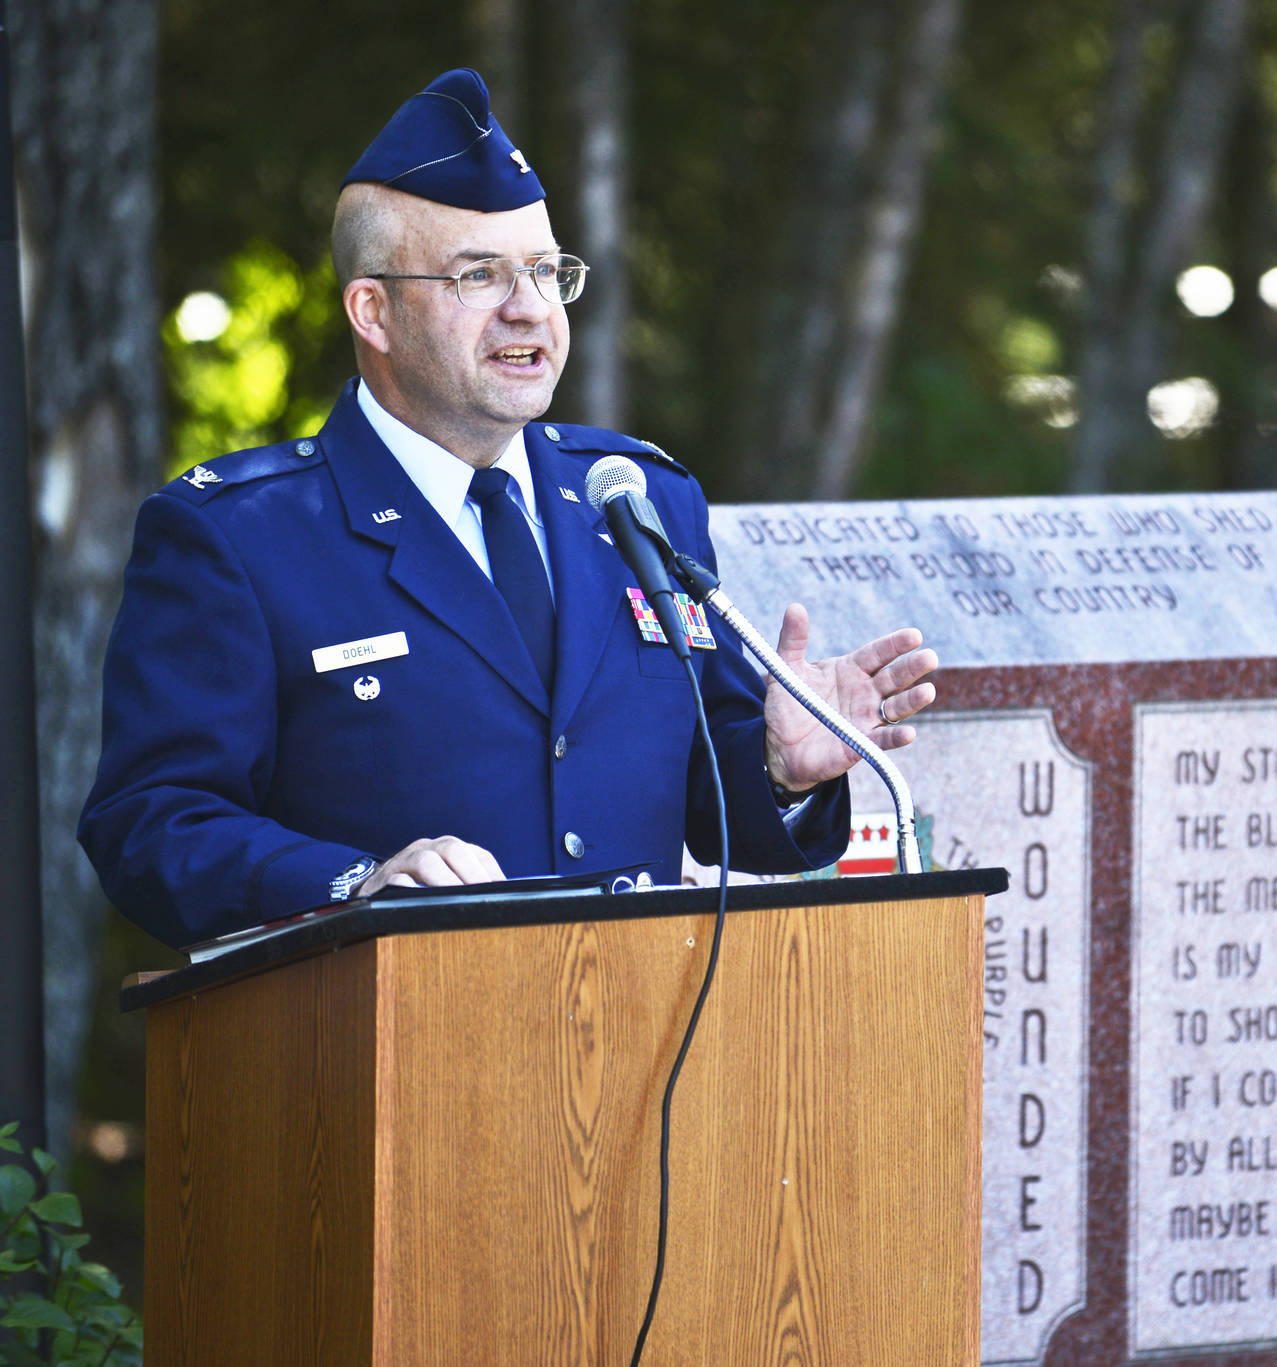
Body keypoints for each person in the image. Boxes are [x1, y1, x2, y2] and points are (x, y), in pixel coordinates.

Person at [78, 69, 936, 947]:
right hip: (385, 1052)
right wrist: (353, 885)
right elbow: (149, 824)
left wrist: (777, 768)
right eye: (479, 276)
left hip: (646, 1052)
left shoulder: (638, 498)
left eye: (545, 270)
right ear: (373, 310)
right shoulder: (239, 536)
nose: (529, 309)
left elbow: (712, 805)